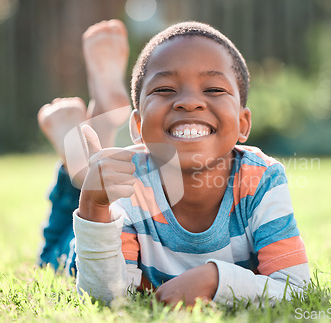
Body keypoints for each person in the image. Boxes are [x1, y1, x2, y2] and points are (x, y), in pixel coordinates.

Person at [73, 20, 310, 307]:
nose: (188, 102)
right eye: (164, 89)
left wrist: (215, 279)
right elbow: (107, 297)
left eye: (212, 89)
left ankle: (92, 133)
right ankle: (81, 151)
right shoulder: (129, 185)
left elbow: (294, 289)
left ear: (242, 123)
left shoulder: (261, 179)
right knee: (62, 247)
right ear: (138, 126)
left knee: (99, 175)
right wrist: (93, 207)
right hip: (88, 242)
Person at [36, 19, 131, 275]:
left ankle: (84, 161)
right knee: (57, 249)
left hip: (102, 228)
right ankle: (82, 162)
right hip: (122, 224)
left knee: (54, 256)